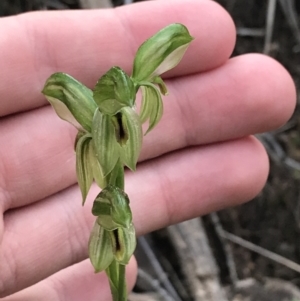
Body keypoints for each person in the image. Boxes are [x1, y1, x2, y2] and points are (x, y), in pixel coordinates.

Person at [0, 0, 296, 300]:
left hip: (108, 147)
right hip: (99, 144)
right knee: (111, 256)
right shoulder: (101, 128)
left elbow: (123, 154)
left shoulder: (125, 113)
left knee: (117, 259)